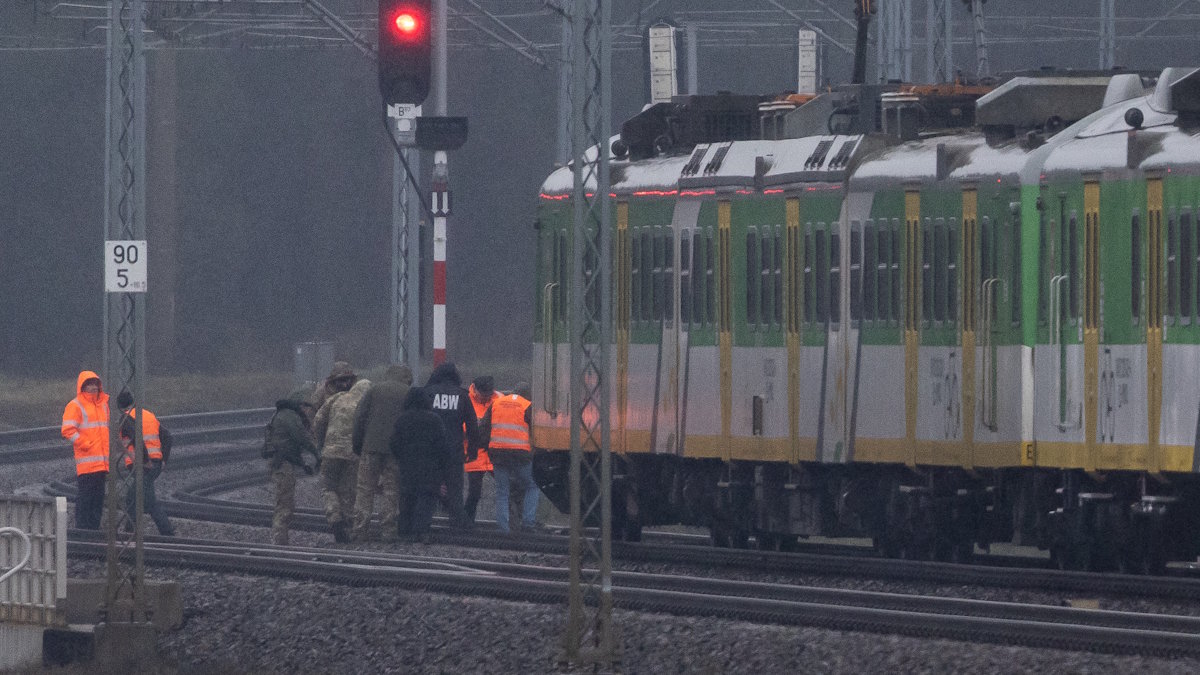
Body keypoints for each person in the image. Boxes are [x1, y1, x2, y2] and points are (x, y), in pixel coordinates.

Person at [350, 364, 412, 542]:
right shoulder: (407, 392)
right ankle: (388, 530)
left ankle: (360, 530)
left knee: (365, 490)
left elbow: (359, 418)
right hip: (395, 450)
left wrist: (357, 445)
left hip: (370, 447)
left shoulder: (374, 390)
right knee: (391, 490)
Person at [390, 387, 455, 543]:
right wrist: (443, 465)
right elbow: (442, 446)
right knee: (426, 498)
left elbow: (393, 443)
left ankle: (405, 530)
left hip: (408, 465)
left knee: (407, 497)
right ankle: (422, 531)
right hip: (430, 466)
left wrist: (401, 457)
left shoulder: (402, 419)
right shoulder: (434, 419)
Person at [423, 362, 483, 529]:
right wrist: (472, 451)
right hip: (453, 451)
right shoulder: (462, 396)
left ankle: (423, 524)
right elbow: (472, 426)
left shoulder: (427, 393)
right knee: (455, 489)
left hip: (431, 451)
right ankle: (458, 523)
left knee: (429, 487)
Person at [313, 375, 370, 543]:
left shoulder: (337, 398)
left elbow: (318, 420)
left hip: (331, 452)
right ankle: (348, 525)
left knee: (328, 487)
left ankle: (334, 518)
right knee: (348, 490)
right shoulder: (364, 405)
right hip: (353, 454)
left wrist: (322, 442)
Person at [481, 382, 540, 533]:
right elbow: (536, 432)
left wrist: (488, 448)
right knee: (531, 486)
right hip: (521, 454)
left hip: (498, 453)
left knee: (502, 490)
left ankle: (503, 527)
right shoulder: (527, 405)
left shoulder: (496, 403)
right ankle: (528, 523)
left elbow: (484, 428)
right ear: (528, 394)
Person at [115, 391, 176, 536]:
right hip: (155, 463)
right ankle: (131, 531)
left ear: (119, 406)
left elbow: (137, 439)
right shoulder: (148, 415)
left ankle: (166, 531)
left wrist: (145, 460)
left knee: (145, 499)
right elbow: (168, 437)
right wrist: (164, 460)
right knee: (135, 496)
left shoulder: (125, 419)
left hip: (142, 465)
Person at [264, 388, 320, 545]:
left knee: (284, 501)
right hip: (282, 464)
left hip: (281, 462)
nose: (306, 410)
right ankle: (279, 538)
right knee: (285, 502)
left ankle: (280, 537)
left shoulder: (283, 414)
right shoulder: (290, 416)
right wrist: (317, 453)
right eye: (304, 406)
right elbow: (302, 438)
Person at [61, 371, 110, 530]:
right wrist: (86, 444)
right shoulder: (75, 405)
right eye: (89, 384)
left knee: (98, 499)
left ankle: (93, 530)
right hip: (87, 464)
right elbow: (68, 430)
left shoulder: (103, 404)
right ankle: (82, 529)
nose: (92, 387)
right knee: (86, 498)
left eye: (95, 384)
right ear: (82, 386)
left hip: (102, 463)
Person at [463, 375, 499, 526]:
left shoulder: (499, 400)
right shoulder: (465, 400)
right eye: (483, 395)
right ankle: (466, 522)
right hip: (474, 454)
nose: (485, 398)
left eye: (488, 395)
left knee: (507, 490)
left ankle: (511, 524)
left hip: (492, 453)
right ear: (475, 389)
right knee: (474, 493)